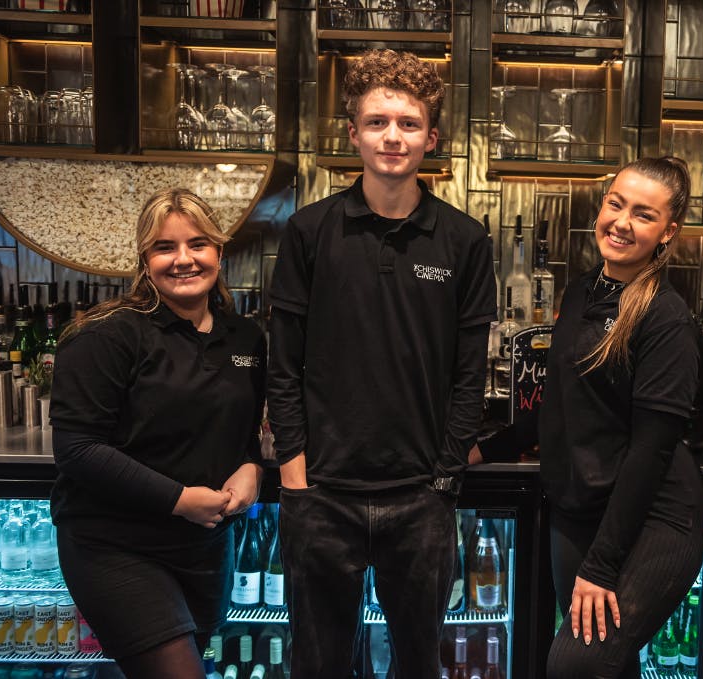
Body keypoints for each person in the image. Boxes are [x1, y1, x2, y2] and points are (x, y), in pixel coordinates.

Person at [267, 49, 497, 678]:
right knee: (318, 666)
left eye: (408, 122)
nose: (392, 136)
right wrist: (295, 477)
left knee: (419, 667)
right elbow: (282, 365)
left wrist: (445, 478)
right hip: (323, 498)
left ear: (432, 136)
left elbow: (468, 375)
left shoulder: (465, 240)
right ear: (352, 134)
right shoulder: (310, 233)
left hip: (420, 499)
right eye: (376, 122)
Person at [474, 156, 703, 679]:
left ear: (668, 231)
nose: (622, 223)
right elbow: (560, 401)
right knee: (609, 667)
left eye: (643, 215)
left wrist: (601, 566)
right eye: (616, 204)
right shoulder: (581, 291)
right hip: (580, 507)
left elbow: (652, 451)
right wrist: (486, 448)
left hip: (652, 515)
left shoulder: (665, 317)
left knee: (574, 666)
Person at [49, 188, 267, 679]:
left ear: (219, 252)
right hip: (115, 544)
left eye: (198, 244)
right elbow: (77, 450)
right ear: (144, 260)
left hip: (205, 547)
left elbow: (244, 434)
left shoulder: (246, 338)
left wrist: (252, 469)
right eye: (165, 247)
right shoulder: (106, 334)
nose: (184, 259)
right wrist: (179, 499)